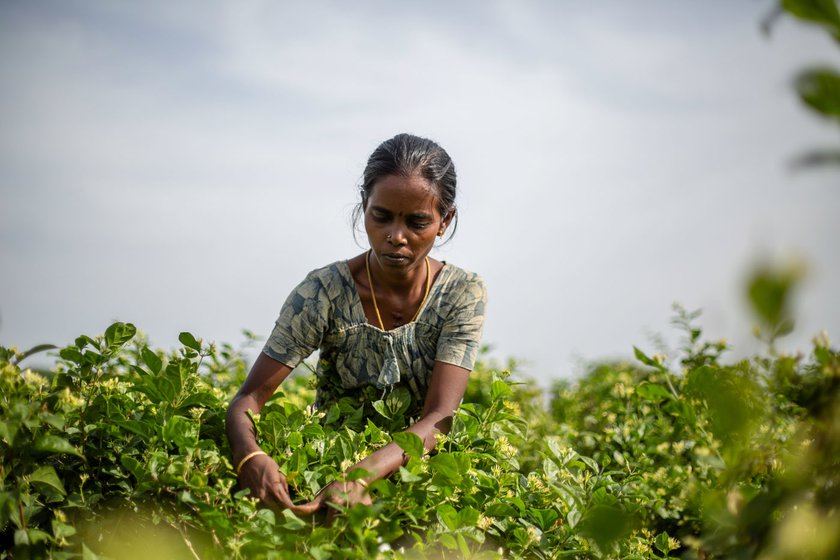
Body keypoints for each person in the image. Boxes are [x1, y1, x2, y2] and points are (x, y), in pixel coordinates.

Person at [225, 133, 487, 515]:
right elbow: (247, 401)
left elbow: (439, 417)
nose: (396, 237)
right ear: (364, 206)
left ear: (445, 220)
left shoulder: (462, 293)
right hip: (323, 479)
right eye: (381, 216)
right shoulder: (323, 292)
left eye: (417, 222)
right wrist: (251, 458)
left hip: (418, 487)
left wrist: (360, 477)